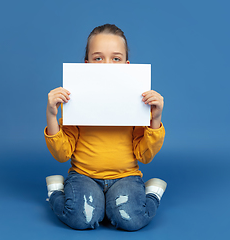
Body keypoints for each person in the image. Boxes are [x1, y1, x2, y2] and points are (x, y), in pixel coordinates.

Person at [44, 24, 167, 231]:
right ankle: (56, 192)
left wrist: (155, 119)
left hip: (125, 176)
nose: (107, 65)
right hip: (84, 175)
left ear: (127, 65)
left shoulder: (137, 103)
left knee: (131, 220)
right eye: (98, 58)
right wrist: (51, 115)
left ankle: (152, 194)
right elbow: (62, 154)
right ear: (86, 64)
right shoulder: (77, 101)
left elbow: (144, 156)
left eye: (116, 58)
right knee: (82, 218)